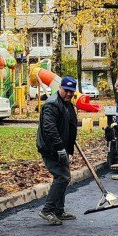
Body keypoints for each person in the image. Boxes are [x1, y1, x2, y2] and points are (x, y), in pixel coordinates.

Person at [36, 75, 79, 225]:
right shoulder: (52, 105)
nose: (68, 93)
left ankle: (59, 211)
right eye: (66, 90)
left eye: (71, 91)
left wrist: (69, 148)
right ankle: (47, 210)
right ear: (60, 88)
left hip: (62, 147)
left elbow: (71, 126)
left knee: (62, 177)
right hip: (50, 148)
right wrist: (59, 148)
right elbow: (50, 129)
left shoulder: (67, 104)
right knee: (62, 177)